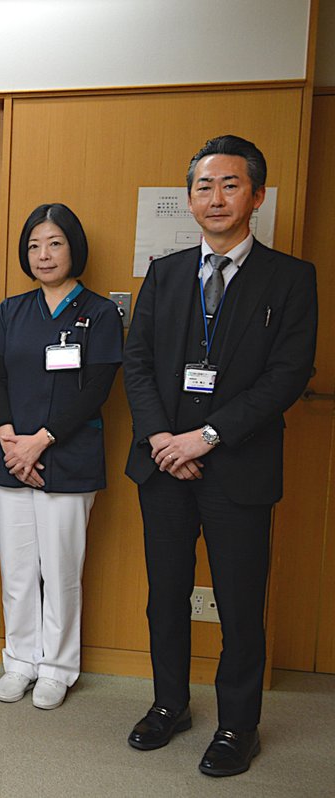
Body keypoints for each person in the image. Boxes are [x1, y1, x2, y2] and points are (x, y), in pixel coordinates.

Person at [123, 135, 317, 777]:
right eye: (204, 186)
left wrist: (204, 438)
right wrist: (159, 439)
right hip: (162, 466)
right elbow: (140, 362)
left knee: (238, 600)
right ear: (189, 198)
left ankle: (238, 724)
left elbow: (286, 377)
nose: (215, 197)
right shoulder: (166, 271)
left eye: (230, 185)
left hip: (237, 468)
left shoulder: (290, 278)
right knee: (165, 594)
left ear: (256, 196)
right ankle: (169, 704)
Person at [0, 203, 123, 710]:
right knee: (17, 567)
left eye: (55, 243)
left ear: (74, 248)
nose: (43, 255)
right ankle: (19, 659)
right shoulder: (10, 311)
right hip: (10, 456)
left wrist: (40, 440)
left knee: (61, 568)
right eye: (34, 245)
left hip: (68, 457)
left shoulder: (101, 314)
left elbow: (98, 390)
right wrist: (9, 439)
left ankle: (58, 666)